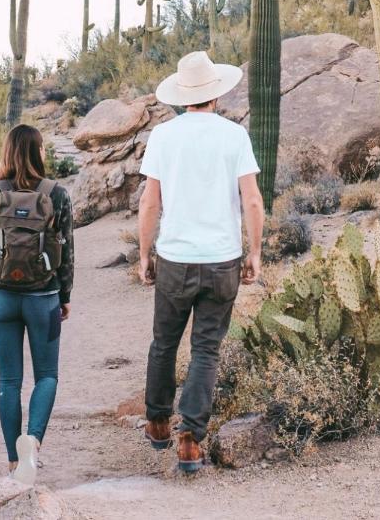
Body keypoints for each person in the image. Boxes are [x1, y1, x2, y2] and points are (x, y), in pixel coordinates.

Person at [138, 50, 265, 473]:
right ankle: (190, 438)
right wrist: (255, 251)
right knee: (205, 350)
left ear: (182, 96)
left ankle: (157, 422)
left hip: (175, 257)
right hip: (222, 259)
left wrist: (143, 253)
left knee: (164, 342)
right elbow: (251, 199)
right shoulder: (235, 136)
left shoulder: (163, 136)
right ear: (215, 94)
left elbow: (150, 203)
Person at [0, 124, 74, 484]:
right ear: (38, 151)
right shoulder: (56, 194)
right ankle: (32, 441)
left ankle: (14, 463)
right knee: (47, 375)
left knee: (9, 380)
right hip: (43, 299)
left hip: (2, 298)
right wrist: (63, 297)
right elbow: (68, 252)